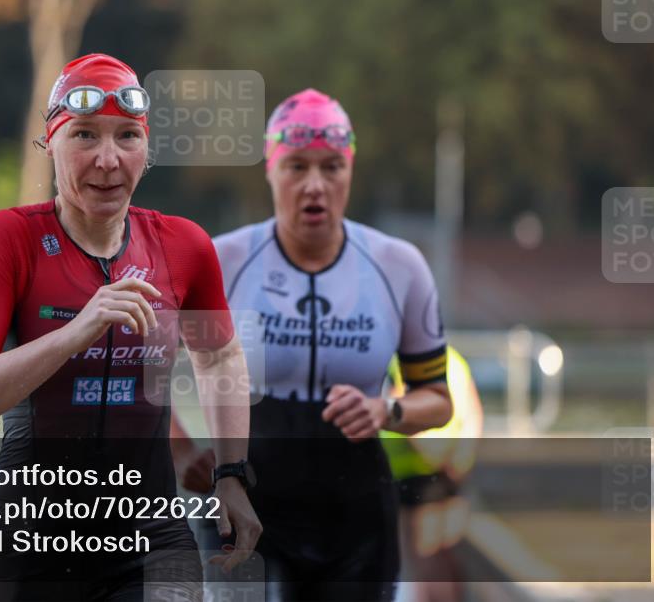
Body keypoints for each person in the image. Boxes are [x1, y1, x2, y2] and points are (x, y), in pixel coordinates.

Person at [0, 54, 261, 601]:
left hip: (150, 541)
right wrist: (75, 332)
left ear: (147, 150)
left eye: (127, 137)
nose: (108, 160)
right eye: (84, 135)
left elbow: (219, 355)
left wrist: (232, 472)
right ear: (50, 145)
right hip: (25, 544)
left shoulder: (183, 247)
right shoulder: (9, 241)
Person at [170, 88, 453, 601]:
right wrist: (180, 447)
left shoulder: (399, 266)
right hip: (246, 492)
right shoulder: (223, 259)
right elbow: (134, 371)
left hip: (355, 507)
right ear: (270, 170)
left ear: (351, 171)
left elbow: (438, 399)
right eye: (296, 167)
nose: (314, 186)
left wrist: (386, 409)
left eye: (331, 168)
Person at [382, 346, 483, 602]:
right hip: (450, 469)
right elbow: (473, 412)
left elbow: (405, 415)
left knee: (424, 560)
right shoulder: (453, 358)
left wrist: (434, 456)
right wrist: (460, 459)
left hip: (416, 472)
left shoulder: (400, 362)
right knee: (443, 554)